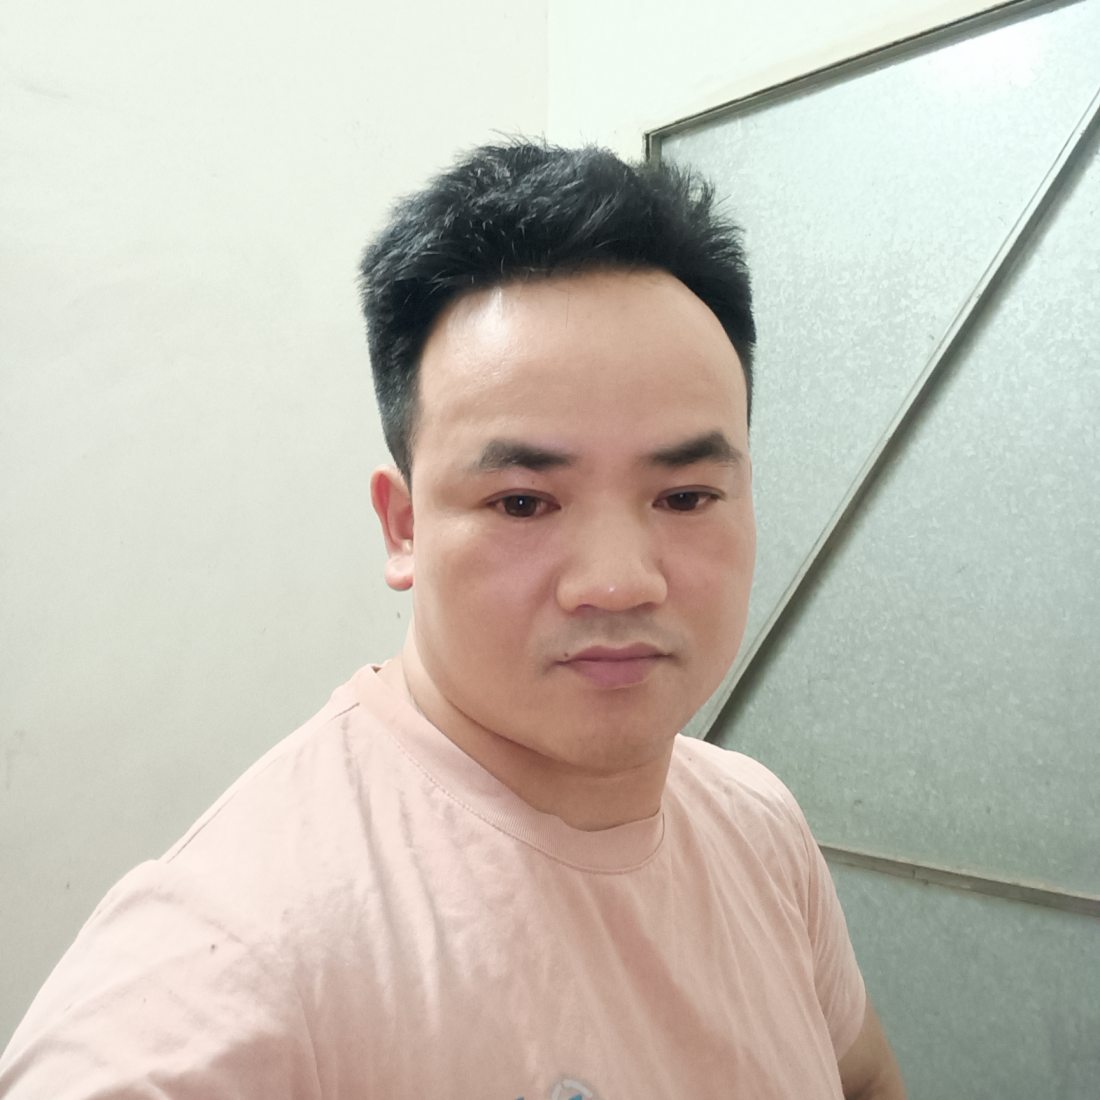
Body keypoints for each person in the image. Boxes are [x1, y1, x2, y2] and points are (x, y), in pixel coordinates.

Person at [0, 142, 905, 1099]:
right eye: (522, 502)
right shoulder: (241, 953)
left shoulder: (759, 825)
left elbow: (862, 1078)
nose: (618, 583)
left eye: (685, 497)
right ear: (404, 527)